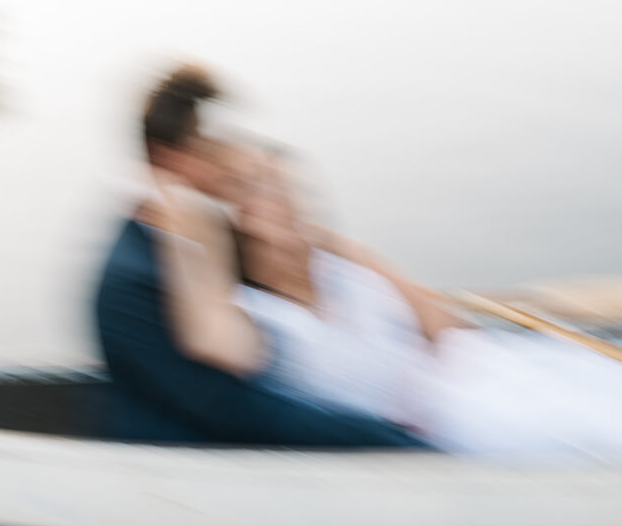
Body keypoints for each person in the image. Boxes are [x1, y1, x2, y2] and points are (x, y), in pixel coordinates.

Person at [153, 146, 622, 463]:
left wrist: (483, 359)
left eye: (287, 186)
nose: (291, 200)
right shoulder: (258, 320)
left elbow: (442, 322)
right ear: (241, 222)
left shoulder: (338, 260)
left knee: (602, 380)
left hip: (488, 364)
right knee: (594, 436)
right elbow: (208, 339)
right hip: (449, 417)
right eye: (266, 190)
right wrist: (187, 234)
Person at [95, 65, 428, 447]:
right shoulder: (134, 277)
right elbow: (230, 409)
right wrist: (395, 442)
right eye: (211, 145)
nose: (230, 154)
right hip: (188, 462)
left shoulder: (207, 229)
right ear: (167, 157)